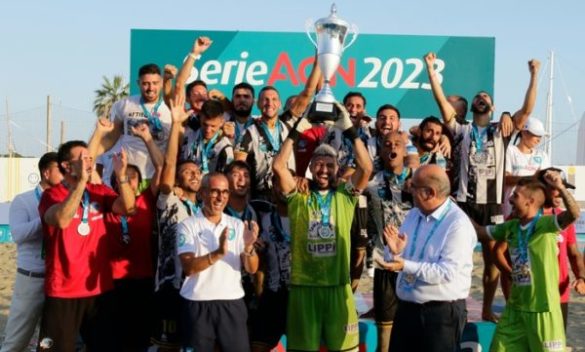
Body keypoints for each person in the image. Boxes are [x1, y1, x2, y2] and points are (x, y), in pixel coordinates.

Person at [425, 51, 540, 321]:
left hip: (491, 204)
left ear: (492, 106)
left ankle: (487, 309)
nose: (481, 98)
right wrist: (431, 70)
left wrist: (534, 75)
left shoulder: (502, 130)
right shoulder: (461, 130)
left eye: (486, 97)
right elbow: (442, 102)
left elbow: (527, 111)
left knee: (491, 261)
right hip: (464, 203)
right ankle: (453, 306)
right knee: (454, 257)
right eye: (478, 96)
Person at [273, 102, 373, 351]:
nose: (324, 169)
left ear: (338, 168)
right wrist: (300, 126)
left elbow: (367, 167)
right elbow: (278, 166)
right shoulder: (299, 194)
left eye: (330, 164)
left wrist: (349, 128)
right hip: (304, 287)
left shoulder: (345, 194)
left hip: (338, 287)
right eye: (319, 164)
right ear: (310, 167)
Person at [37, 141, 135, 351]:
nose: (89, 163)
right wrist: (81, 183)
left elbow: (128, 208)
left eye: (90, 158)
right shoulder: (51, 195)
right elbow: (62, 220)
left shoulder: (100, 191)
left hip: (99, 289)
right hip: (63, 290)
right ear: (66, 166)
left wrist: (122, 176)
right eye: (83, 159)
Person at [474, 171, 582, 351]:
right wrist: (450, 206)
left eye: (515, 196)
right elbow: (479, 232)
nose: (509, 200)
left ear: (529, 201)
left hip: (543, 311)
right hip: (515, 310)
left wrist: (560, 187)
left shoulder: (546, 225)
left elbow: (573, 214)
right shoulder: (511, 226)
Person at [379, 164, 476, 352]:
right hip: (407, 309)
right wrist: (395, 252)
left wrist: (404, 265)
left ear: (430, 193)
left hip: (440, 317)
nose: (408, 188)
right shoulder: (415, 214)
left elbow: (446, 273)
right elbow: (396, 256)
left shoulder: (458, 225)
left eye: (414, 185)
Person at [89, 116, 164, 351]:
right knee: (110, 339)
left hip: (141, 280)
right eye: (122, 178)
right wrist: (99, 133)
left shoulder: (146, 201)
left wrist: (148, 138)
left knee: (138, 338)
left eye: (133, 178)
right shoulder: (105, 199)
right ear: (112, 182)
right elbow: (88, 166)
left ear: (140, 183)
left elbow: (162, 167)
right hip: (110, 281)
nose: (127, 181)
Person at [177, 172, 259, 351]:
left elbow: (252, 269)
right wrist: (218, 253)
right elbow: (189, 268)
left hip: (232, 303)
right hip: (197, 303)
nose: (221, 197)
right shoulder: (187, 225)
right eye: (215, 191)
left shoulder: (237, 225)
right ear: (203, 193)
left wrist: (249, 247)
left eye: (225, 192)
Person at [151, 92, 203, 351]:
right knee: (168, 347)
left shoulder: (205, 208)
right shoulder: (169, 201)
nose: (193, 175)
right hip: (170, 286)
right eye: (187, 172)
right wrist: (175, 126)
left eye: (197, 171)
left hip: (198, 288)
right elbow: (169, 164)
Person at [1, 152, 62, 352]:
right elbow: (17, 234)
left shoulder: (66, 202)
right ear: (46, 173)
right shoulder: (24, 200)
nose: (64, 173)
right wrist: (46, 219)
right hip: (31, 278)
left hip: (58, 280)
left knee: (49, 341)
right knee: (17, 340)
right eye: (59, 169)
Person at [364, 131, 413, 352]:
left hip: (412, 264)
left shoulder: (418, 179)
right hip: (384, 262)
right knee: (385, 335)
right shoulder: (371, 180)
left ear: (405, 150)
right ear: (382, 151)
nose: (392, 147)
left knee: (414, 331)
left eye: (397, 144)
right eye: (387, 144)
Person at [97, 64, 172, 187]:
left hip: (157, 175)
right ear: (138, 83)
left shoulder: (170, 108)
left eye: (155, 83)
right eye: (145, 83)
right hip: (131, 176)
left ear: (161, 83)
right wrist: (91, 154)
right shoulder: (124, 104)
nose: (150, 87)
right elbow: (111, 138)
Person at [249, 172, 293, 352]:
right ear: (272, 188)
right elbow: (261, 262)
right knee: (258, 346)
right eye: (278, 184)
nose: (283, 188)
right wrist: (259, 292)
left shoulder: (306, 216)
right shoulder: (263, 219)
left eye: (286, 183)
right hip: (272, 294)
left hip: (300, 295)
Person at [235, 86, 295, 199]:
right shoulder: (249, 133)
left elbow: (306, 96)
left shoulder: (289, 127)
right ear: (257, 104)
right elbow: (238, 166)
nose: (269, 103)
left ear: (280, 104)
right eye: (265, 99)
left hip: (288, 191)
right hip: (262, 196)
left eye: (274, 99)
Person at [503, 117, 550, 217]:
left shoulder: (542, 155)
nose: (539, 140)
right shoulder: (509, 151)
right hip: (511, 209)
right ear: (524, 133)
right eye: (536, 135)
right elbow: (505, 179)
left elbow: (544, 182)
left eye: (540, 136)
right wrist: (533, 178)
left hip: (534, 211)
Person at [179, 99, 234, 174]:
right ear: (200, 117)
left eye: (213, 126)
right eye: (205, 124)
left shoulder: (225, 148)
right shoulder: (189, 135)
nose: (208, 130)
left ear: (222, 122)